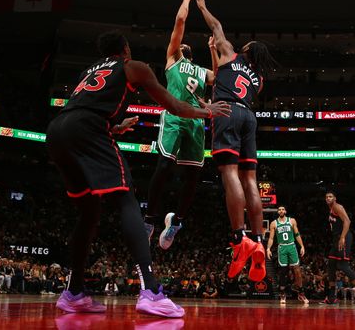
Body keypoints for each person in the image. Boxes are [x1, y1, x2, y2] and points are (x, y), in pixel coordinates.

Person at [47, 31, 230, 318]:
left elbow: (85, 107)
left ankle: (74, 292)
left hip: (58, 131)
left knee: (88, 213)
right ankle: (151, 292)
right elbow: (174, 106)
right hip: (88, 130)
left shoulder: (90, 71)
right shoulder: (133, 66)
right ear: (125, 49)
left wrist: (117, 128)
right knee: (126, 199)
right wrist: (208, 112)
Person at [194, 0, 275, 283]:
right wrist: (214, 52)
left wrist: (202, 5)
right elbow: (221, 77)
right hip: (249, 118)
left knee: (229, 174)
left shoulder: (232, 52)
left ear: (248, 49)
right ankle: (258, 239)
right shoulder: (259, 79)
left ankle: (239, 237)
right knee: (250, 179)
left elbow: (216, 26)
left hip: (227, 113)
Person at [145, 0, 216, 250]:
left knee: (193, 176)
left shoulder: (199, 70)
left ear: (191, 53)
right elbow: (179, 24)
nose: (181, 44)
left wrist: (212, 51)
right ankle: (149, 220)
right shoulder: (172, 59)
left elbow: (216, 77)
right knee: (164, 166)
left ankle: (176, 221)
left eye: (185, 45)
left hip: (196, 122)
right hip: (174, 116)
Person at [323, 191, 355, 305]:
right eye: (326, 197)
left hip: (343, 238)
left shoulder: (337, 207)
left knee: (342, 265)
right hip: (337, 238)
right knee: (331, 264)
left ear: (335, 198)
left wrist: (342, 237)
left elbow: (347, 221)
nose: (328, 198)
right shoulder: (331, 208)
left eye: (330, 196)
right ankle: (331, 297)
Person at [266, 205, 308, 304]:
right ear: (277, 212)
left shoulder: (292, 221)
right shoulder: (273, 223)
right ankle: (282, 294)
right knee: (283, 271)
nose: (281, 211)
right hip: (282, 247)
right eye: (279, 210)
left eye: (282, 209)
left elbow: (297, 234)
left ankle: (301, 293)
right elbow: (271, 238)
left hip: (292, 246)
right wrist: (268, 248)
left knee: (297, 270)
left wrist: (302, 246)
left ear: (285, 211)